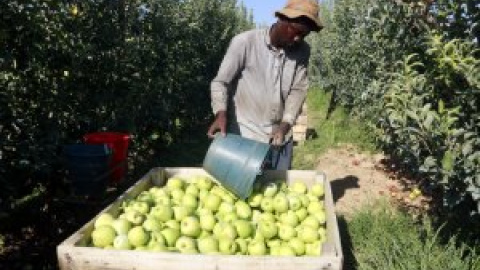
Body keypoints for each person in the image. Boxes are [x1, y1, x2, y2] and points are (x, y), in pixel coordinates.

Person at [207, 0, 323, 170]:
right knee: (240, 190)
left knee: (277, 191)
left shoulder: (302, 50)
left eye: (304, 35)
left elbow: (298, 90)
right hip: (244, 137)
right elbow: (220, 82)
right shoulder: (245, 42)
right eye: (296, 31)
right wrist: (220, 113)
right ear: (282, 19)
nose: (298, 38)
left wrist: (285, 124)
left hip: (279, 138)